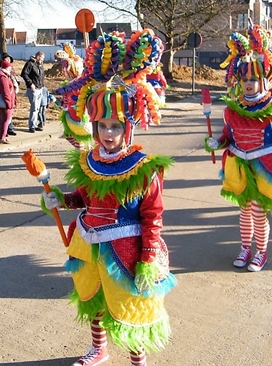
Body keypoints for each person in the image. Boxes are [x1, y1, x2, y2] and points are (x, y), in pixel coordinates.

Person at [41, 30, 176, 366]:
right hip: (88, 243)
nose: (108, 133)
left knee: (130, 310)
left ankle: (137, 360)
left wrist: (146, 258)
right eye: (102, 126)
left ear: (127, 127)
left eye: (115, 126)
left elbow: (152, 218)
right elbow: (85, 198)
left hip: (127, 251)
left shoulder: (143, 169)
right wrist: (61, 199)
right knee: (94, 301)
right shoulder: (90, 161)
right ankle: (99, 349)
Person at [207, 25, 272, 272]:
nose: (248, 83)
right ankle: (244, 248)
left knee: (259, 213)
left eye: (253, 79)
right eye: (245, 79)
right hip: (241, 168)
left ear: (264, 80)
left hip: (266, 169)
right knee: (244, 210)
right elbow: (228, 137)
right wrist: (216, 143)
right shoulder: (232, 109)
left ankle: (261, 252)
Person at [0, 54, 17, 144]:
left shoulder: (1, 75)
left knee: (3, 119)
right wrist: (9, 103)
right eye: (9, 68)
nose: (10, 69)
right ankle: (2, 137)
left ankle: (0, 136)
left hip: (2, 101)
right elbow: (5, 91)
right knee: (6, 119)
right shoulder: (2, 77)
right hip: (5, 102)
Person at [20, 51, 45, 133]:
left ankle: (35, 124)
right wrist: (30, 84)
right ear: (37, 56)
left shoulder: (40, 65)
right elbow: (24, 74)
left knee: (38, 108)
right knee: (34, 108)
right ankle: (31, 126)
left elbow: (41, 76)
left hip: (40, 88)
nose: (42, 60)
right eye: (41, 58)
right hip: (33, 89)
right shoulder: (30, 63)